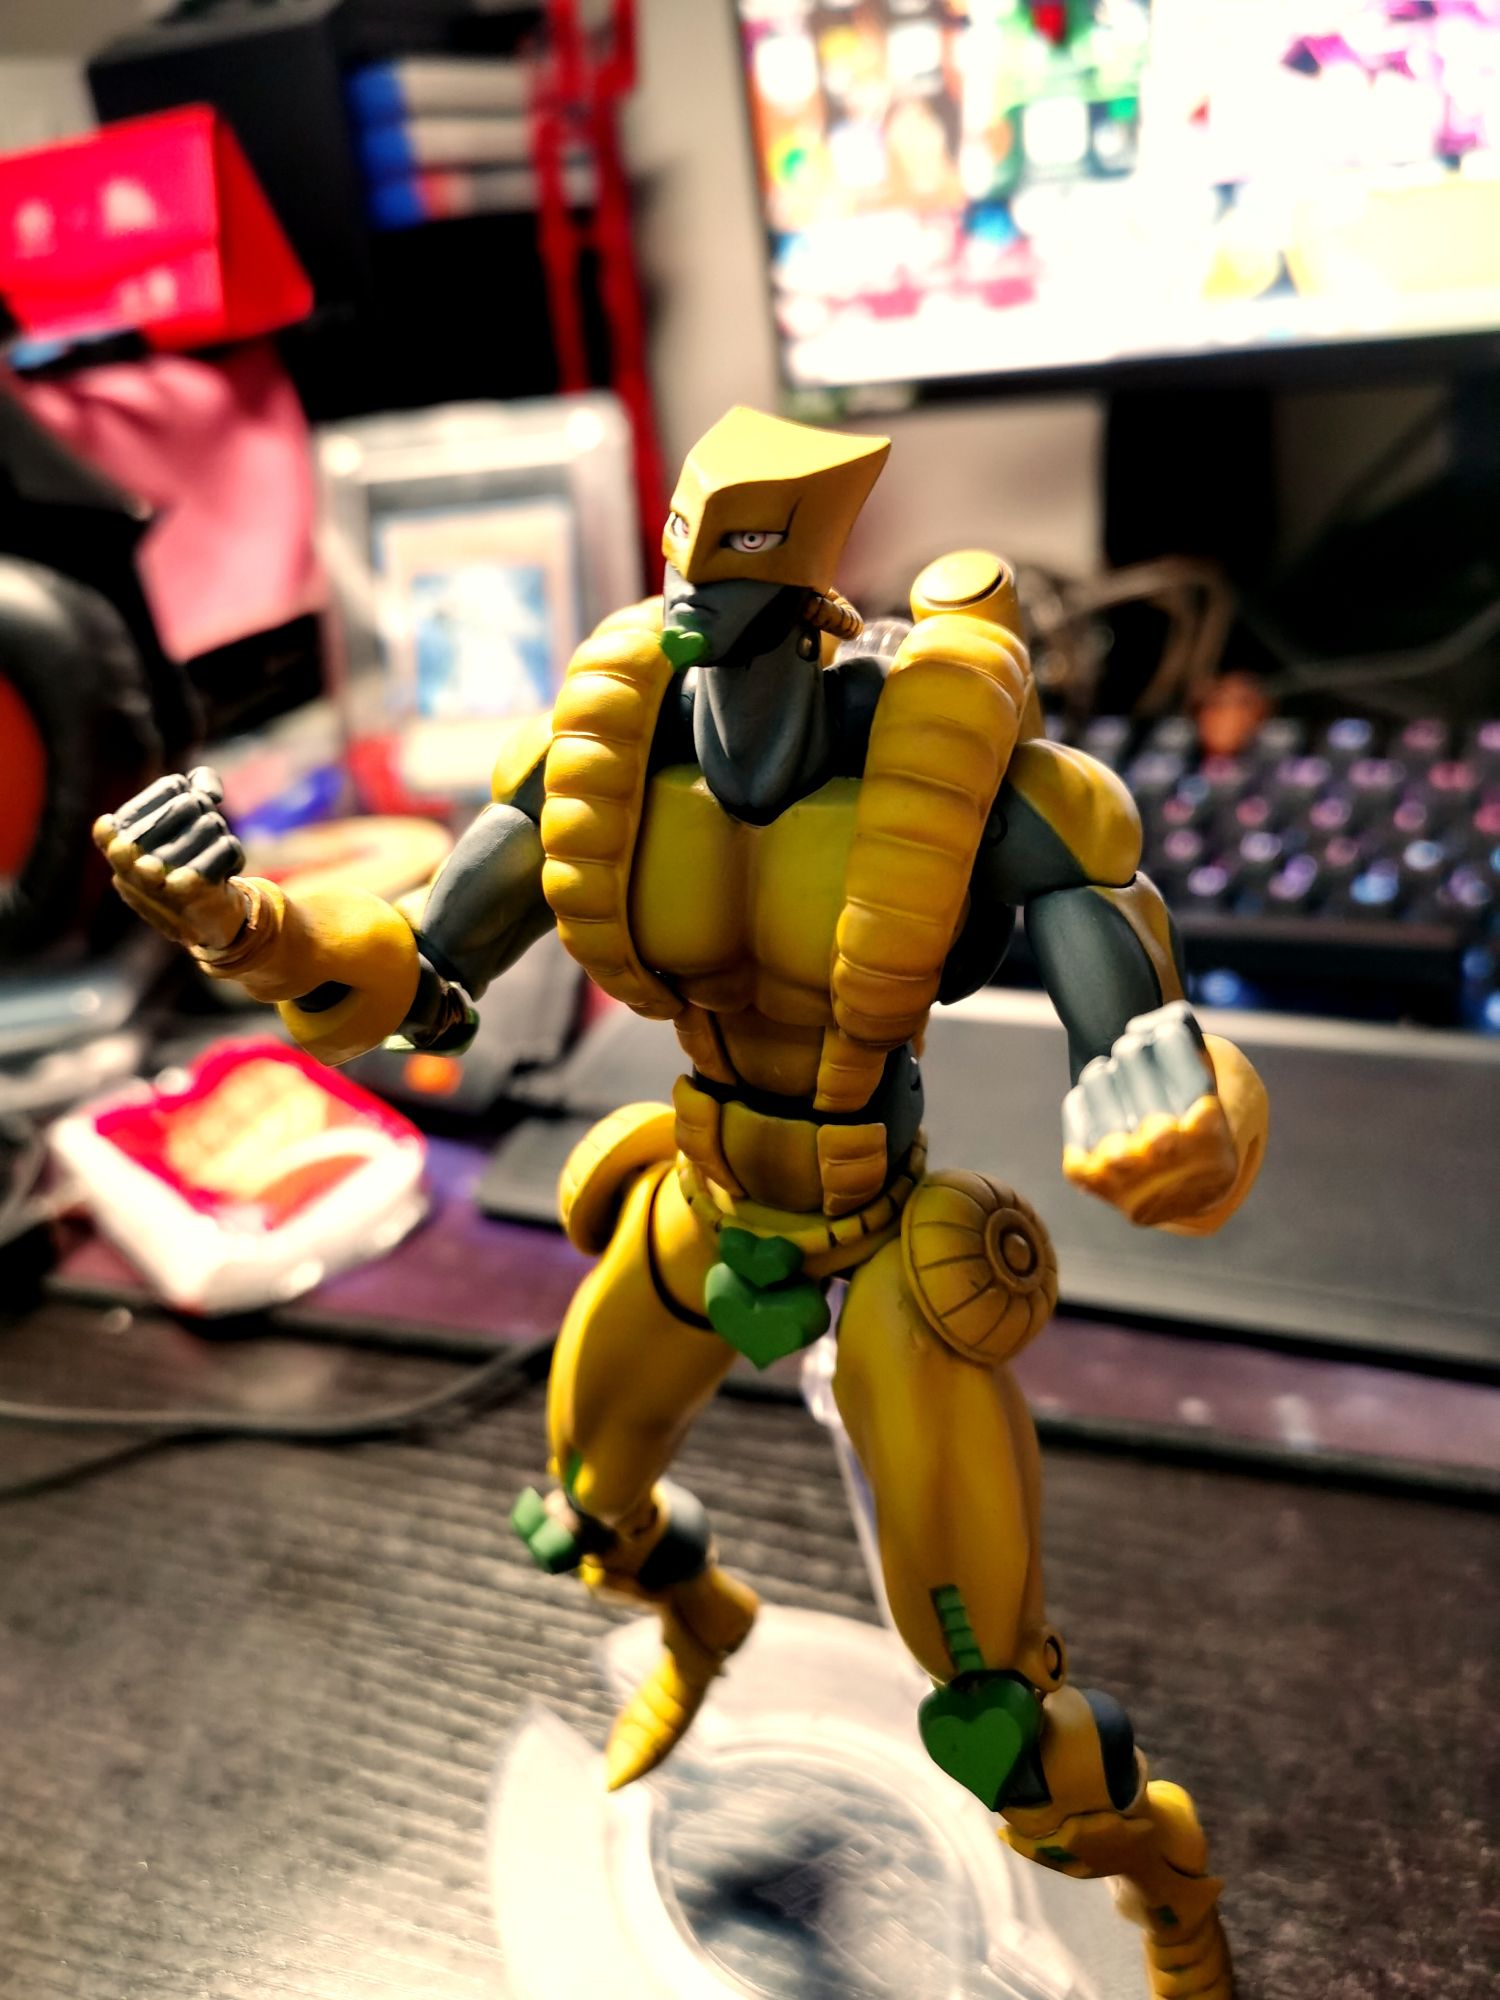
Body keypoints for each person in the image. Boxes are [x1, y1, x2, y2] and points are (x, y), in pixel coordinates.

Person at [96, 406, 1266, 1999]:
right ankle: (702, 1619)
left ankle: (1169, 1896)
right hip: (709, 1194)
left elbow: (1139, 1024)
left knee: (996, 1710)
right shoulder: (621, 741)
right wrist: (249, 925)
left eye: (738, 572)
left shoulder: (960, 771)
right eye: (688, 561)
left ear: (809, 594)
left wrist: (1182, 1120)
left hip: (886, 1236)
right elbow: (425, 972)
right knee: (585, 1502)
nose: (697, 597)